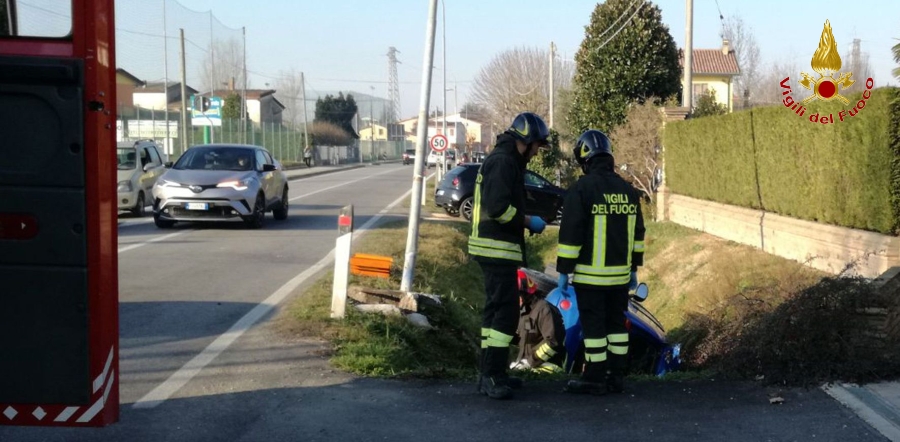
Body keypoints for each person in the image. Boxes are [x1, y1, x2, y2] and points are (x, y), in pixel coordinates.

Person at [556, 129, 646, 395]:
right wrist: (633, 268)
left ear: (585, 158)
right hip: (619, 279)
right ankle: (616, 376)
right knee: (617, 326)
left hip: (590, 279)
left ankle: (594, 378)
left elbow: (571, 235)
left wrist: (564, 271)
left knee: (594, 328)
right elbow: (638, 234)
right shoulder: (628, 191)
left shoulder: (581, 190)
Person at [468, 111, 550, 400]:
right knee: (505, 314)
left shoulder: (505, 160)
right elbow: (498, 208)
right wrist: (528, 221)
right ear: (526, 140)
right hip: (496, 249)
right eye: (538, 145)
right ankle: (492, 375)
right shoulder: (503, 163)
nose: (538, 152)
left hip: (495, 250)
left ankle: (492, 373)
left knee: (496, 314)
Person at [510, 269, 567, 374]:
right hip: (529, 365)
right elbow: (527, 338)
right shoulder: (525, 311)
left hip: (549, 366)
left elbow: (552, 342)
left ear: (523, 293)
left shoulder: (544, 309)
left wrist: (529, 361)